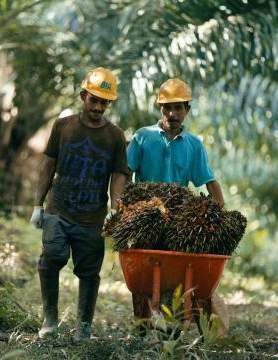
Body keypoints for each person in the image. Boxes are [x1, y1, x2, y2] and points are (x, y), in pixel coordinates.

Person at [29, 67, 129, 340]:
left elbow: (119, 174)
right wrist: (38, 205)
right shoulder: (64, 126)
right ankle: (50, 319)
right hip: (59, 208)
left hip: (92, 217)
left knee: (88, 272)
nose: (98, 107)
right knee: (51, 258)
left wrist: (115, 210)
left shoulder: (115, 136)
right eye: (93, 100)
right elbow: (48, 164)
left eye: (104, 102)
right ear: (83, 96)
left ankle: (83, 327)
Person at [126, 78, 229, 336]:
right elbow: (123, 174)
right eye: (167, 108)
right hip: (145, 218)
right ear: (160, 109)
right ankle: (142, 325)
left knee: (176, 273)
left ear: (187, 110)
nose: (172, 114)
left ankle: (173, 324)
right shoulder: (142, 137)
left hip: (178, 220)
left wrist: (222, 217)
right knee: (142, 277)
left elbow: (209, 181)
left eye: (178, 108)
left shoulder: (193, 145)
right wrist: (120, 206)